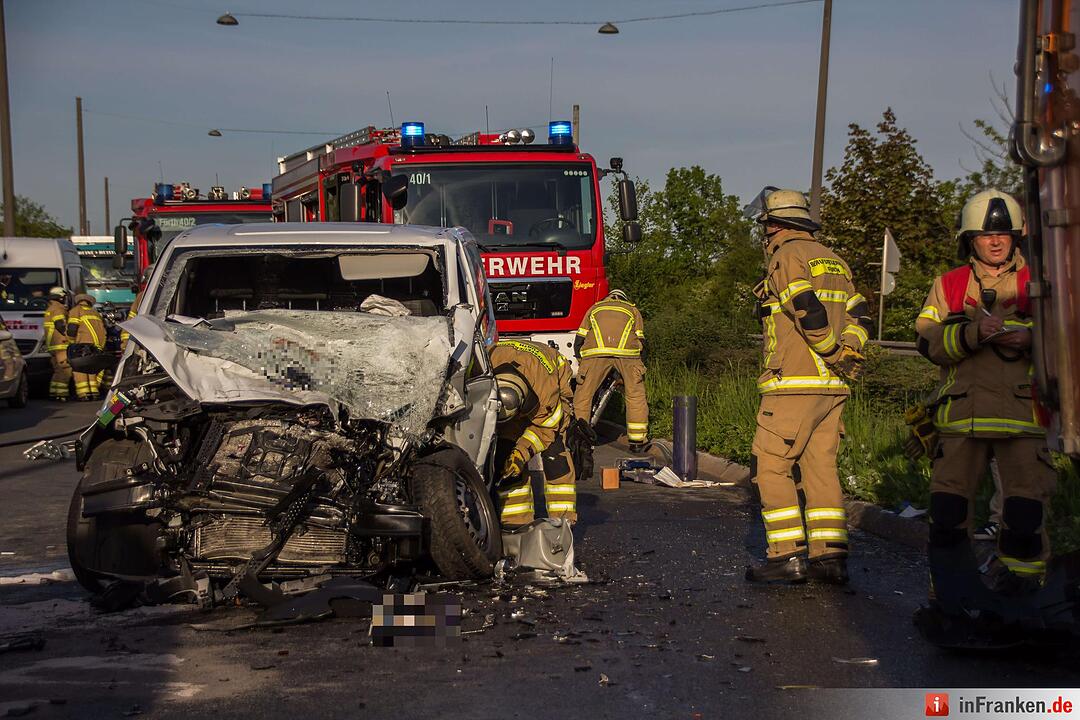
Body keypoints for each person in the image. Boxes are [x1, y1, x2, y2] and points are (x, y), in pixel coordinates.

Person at [915, 189, 1055, 591]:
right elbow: (927, 341)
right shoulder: (949, 285)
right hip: (962, 416)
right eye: (985, 235)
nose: (995, 242)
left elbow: (1066, 336)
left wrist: (1031, 339)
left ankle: (1022, 592)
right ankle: (951, 594)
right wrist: (973, 333)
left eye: (1003, 235)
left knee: (1025, 515)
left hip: (1023, 416)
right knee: (947, 512)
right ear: (969, 240)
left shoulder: (1039, 283)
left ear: (1016, 237)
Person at [742, 187, 871, 585]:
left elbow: (806, 308)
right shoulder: (835, 260)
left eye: (765, 227)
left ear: (774, 225)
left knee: (771, 466)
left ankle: (786, 555)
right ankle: (829, 556)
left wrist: (830, 350)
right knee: (820, 469)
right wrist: (847, 353)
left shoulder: (787, 256)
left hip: (793, 384)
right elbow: (861, 315)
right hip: (832, 387)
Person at [491, 339, 576, 527]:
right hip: (509, 387)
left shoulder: (545, 392)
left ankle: (563, 521)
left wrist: (522, 452)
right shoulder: (485, 364)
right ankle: (515, 522)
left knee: (556, 455)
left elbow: (546, 430)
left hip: (554, 377)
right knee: (505, 456)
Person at [572, 289, 649, 451]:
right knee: (635, 395)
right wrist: (639, 365)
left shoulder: (594, 308)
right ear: (624, 299)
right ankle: (637, 441)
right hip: (628, 354)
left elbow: (579, 338)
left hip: (595, 353)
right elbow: (642, 340)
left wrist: (582, 361)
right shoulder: (632, 310)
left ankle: (580, 438)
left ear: (607, 298)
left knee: (584, 395)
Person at [66, 293, 106, 400]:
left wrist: (71, 343)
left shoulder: (76, 310)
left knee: (79, 369)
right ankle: (94, 392)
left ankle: (84, 394)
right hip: (96, 346)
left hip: (82, 344)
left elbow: (72, 329)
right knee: (91, 369)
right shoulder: (95, 313)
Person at [43, 286, 71, 401]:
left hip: (53, 345)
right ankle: (61, 394)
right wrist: (69, 337)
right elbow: (60, 325)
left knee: (58, 370)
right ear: (61, 297)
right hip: (61, 344)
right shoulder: (58, 308)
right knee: (65, 369)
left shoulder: (50, 308)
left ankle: (54, 392)